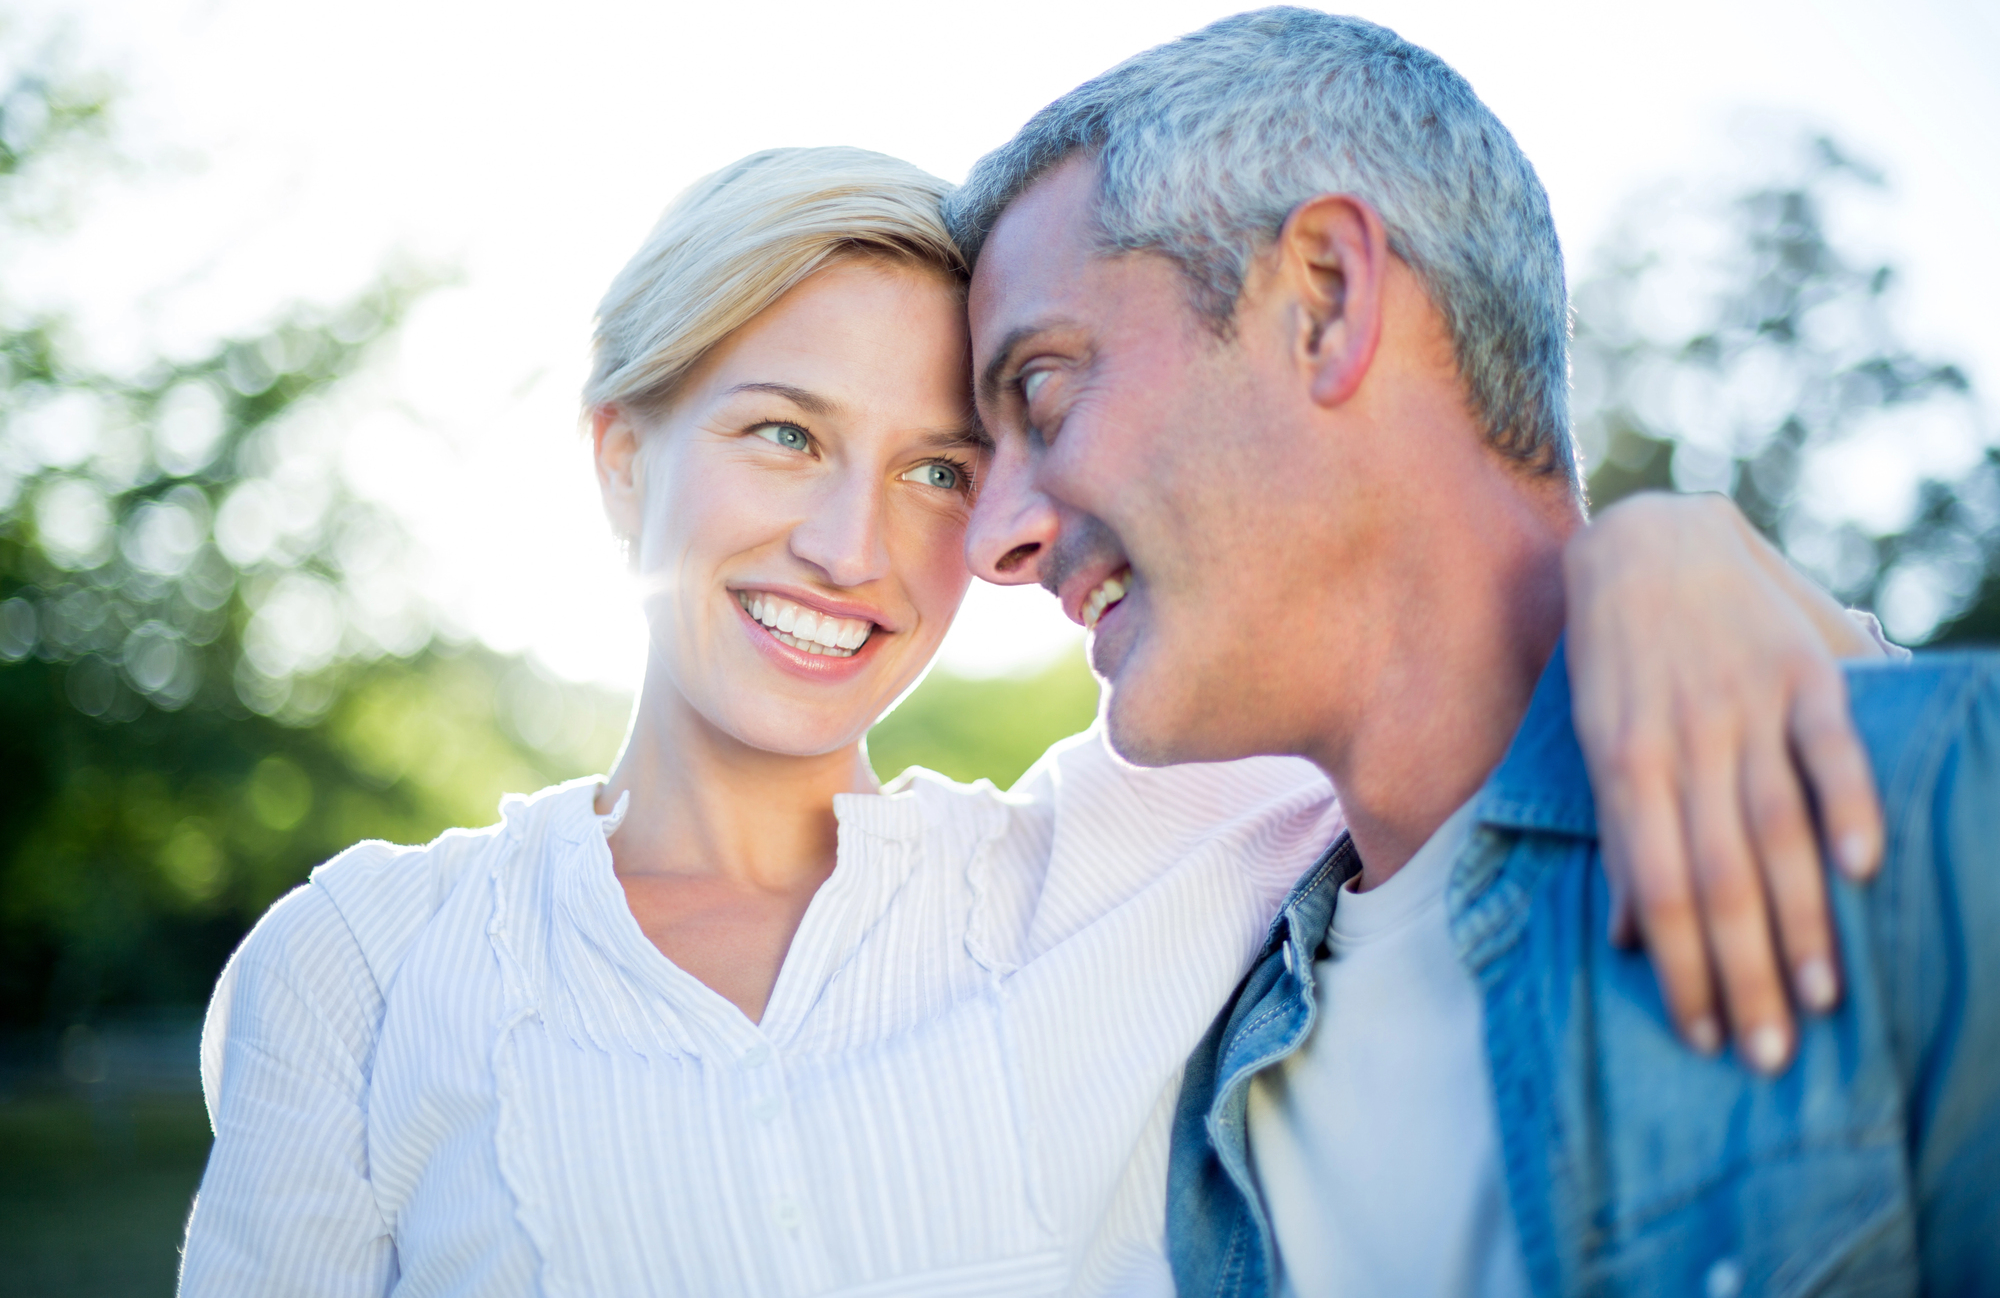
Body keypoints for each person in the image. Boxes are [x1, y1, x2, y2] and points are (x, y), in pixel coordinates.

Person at [184, 146, 1879, 1297]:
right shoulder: (365, 960)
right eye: (782, 433)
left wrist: (1661, 550)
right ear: (627, 456)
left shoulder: (1116, 862)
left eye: (937, 468)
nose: (851, 545)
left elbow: (1453, 636)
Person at [950, 7, 2000, 1298]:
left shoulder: (1931, 823)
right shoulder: (1200, 1086)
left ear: (1325, 300)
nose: (992, 536)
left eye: (1045, 391)